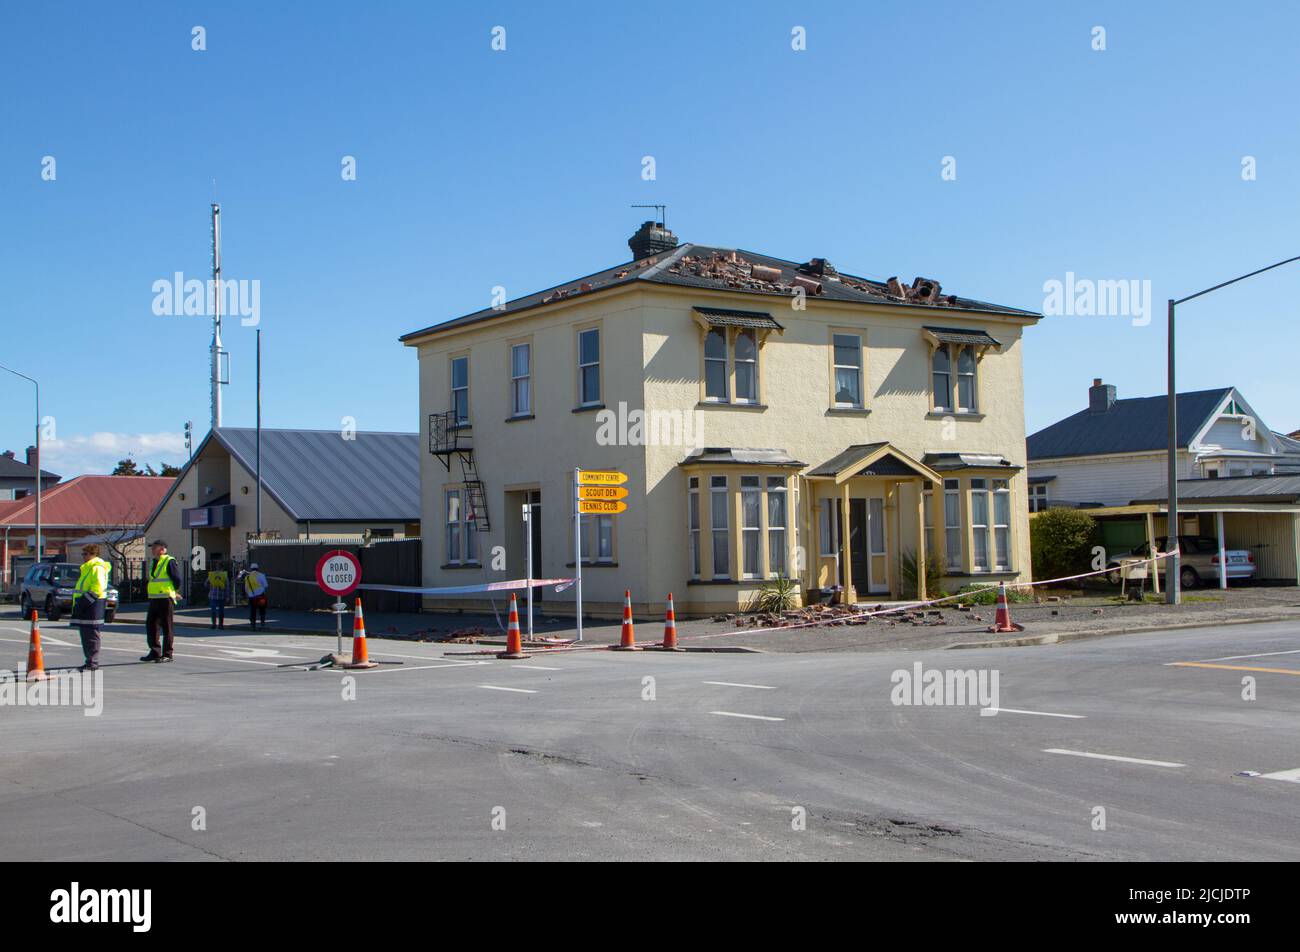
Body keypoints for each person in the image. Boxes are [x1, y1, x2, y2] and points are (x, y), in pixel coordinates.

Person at [71, 544, 111, 671]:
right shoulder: (88, 568)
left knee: (92, 634)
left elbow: (97, 588)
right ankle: (89, 660)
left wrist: (84, 601)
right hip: (87, 604)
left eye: (85, 554)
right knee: (85, 634)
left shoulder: (97, 567)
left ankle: (93, 662)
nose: (83, 556)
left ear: (93, 554)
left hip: (92, 604)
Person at [141, 539, 181, 663]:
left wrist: (174, 592)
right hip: (155, 598)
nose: (152, 550)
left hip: (165, 598)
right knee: (151, 625)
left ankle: (168, 654)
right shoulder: (154, 562)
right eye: (152, 547)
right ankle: (155, 652)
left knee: (167, 626)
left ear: (163, 549)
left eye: (155, 547)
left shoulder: (169, 561)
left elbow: (177, 579)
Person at [243, 562, 269, 630]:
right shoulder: (261, 575)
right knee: (262, 608)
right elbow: (266, 585)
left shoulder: (247, 577)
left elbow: (246, 588)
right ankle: (262, 623)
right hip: (261, 596)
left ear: (251, 569)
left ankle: (253, 624)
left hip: (252, 597)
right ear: (257, 568)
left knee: (253, 610)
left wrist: (249, 593)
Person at [207, 563, 229, 629]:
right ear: (222, 568)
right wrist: (227, 596)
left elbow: (205, 583)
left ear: (216, 568)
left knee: (213, 610)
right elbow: (227, 587)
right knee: (221, 611)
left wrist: (211, 587)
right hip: (221, 595)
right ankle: (220, 625)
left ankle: (213, 624)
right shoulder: (224, 575)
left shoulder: (212, 575)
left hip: (212, 595)